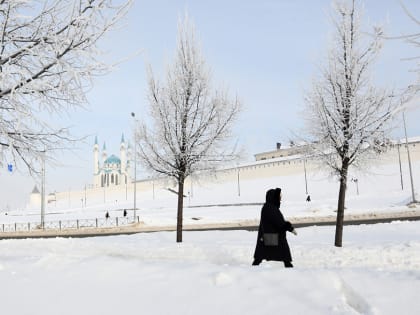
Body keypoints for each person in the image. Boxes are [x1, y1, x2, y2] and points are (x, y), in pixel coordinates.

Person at [252, 188, 297, 267]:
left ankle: (255, 266)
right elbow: (279, 222)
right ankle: (289, 267)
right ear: (274, 197)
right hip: (272, 236)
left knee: (262, 254)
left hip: (269, 235)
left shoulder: (269, 207)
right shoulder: (270, 208)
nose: (280, 198)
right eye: (279, 196)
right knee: (283, 252)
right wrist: (290, 228)